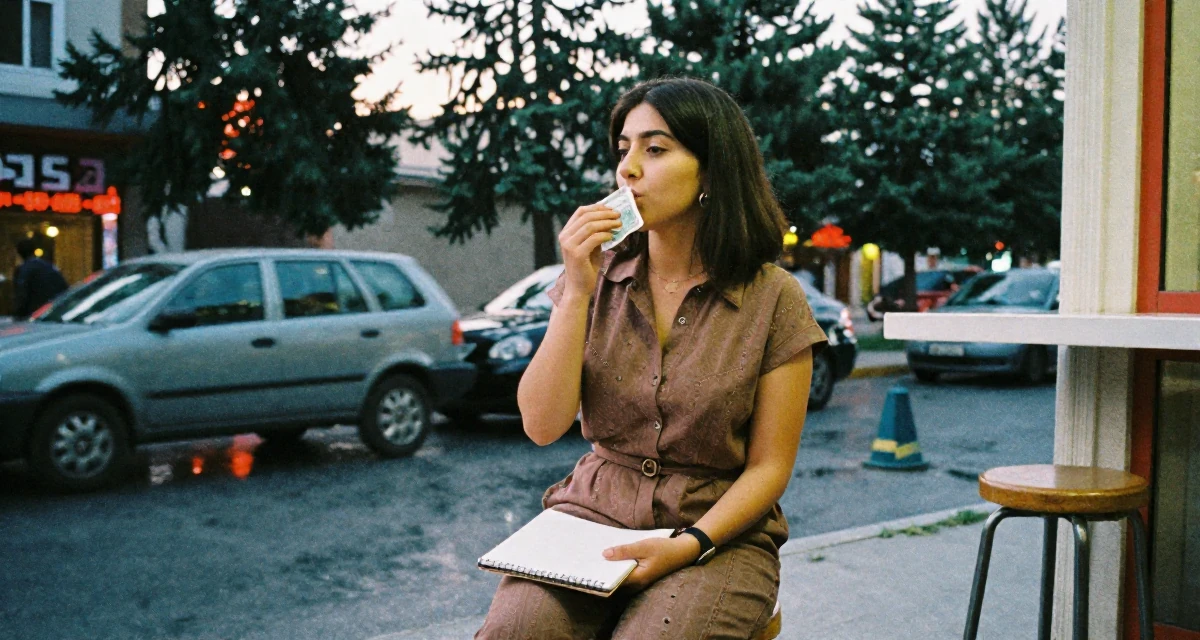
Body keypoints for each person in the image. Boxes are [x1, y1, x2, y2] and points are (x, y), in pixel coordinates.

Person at [476, 78, 828, 639]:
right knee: (514, 634)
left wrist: (690, 545)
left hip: (716, 531)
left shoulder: (773, 298)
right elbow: (541, 426)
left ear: (711, 171)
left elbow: (769, 468)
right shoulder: (597, 280)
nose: (628, 169)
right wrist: (576, 291)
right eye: (623, 149)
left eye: (655, 149)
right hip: (592, 518)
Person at [12, 238, 68, 319]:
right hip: (53, 310)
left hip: (35, 314)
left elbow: (22, 295)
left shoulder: (24, 270)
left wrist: (18, 314)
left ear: (18, 253)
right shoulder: (49, 267)